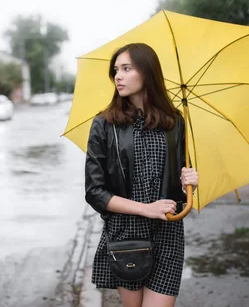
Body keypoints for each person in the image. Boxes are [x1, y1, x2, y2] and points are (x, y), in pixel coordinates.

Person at [85, 43, 199, 307]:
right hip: (127, 233)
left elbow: (180, 192)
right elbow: (95, 193)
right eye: (116, 70)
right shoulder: (104, 124)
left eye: (126, 68)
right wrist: (146, 209)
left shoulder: (174, 122)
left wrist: (188, 185)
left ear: (147, 73)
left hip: (168, 231)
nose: (118, 77)